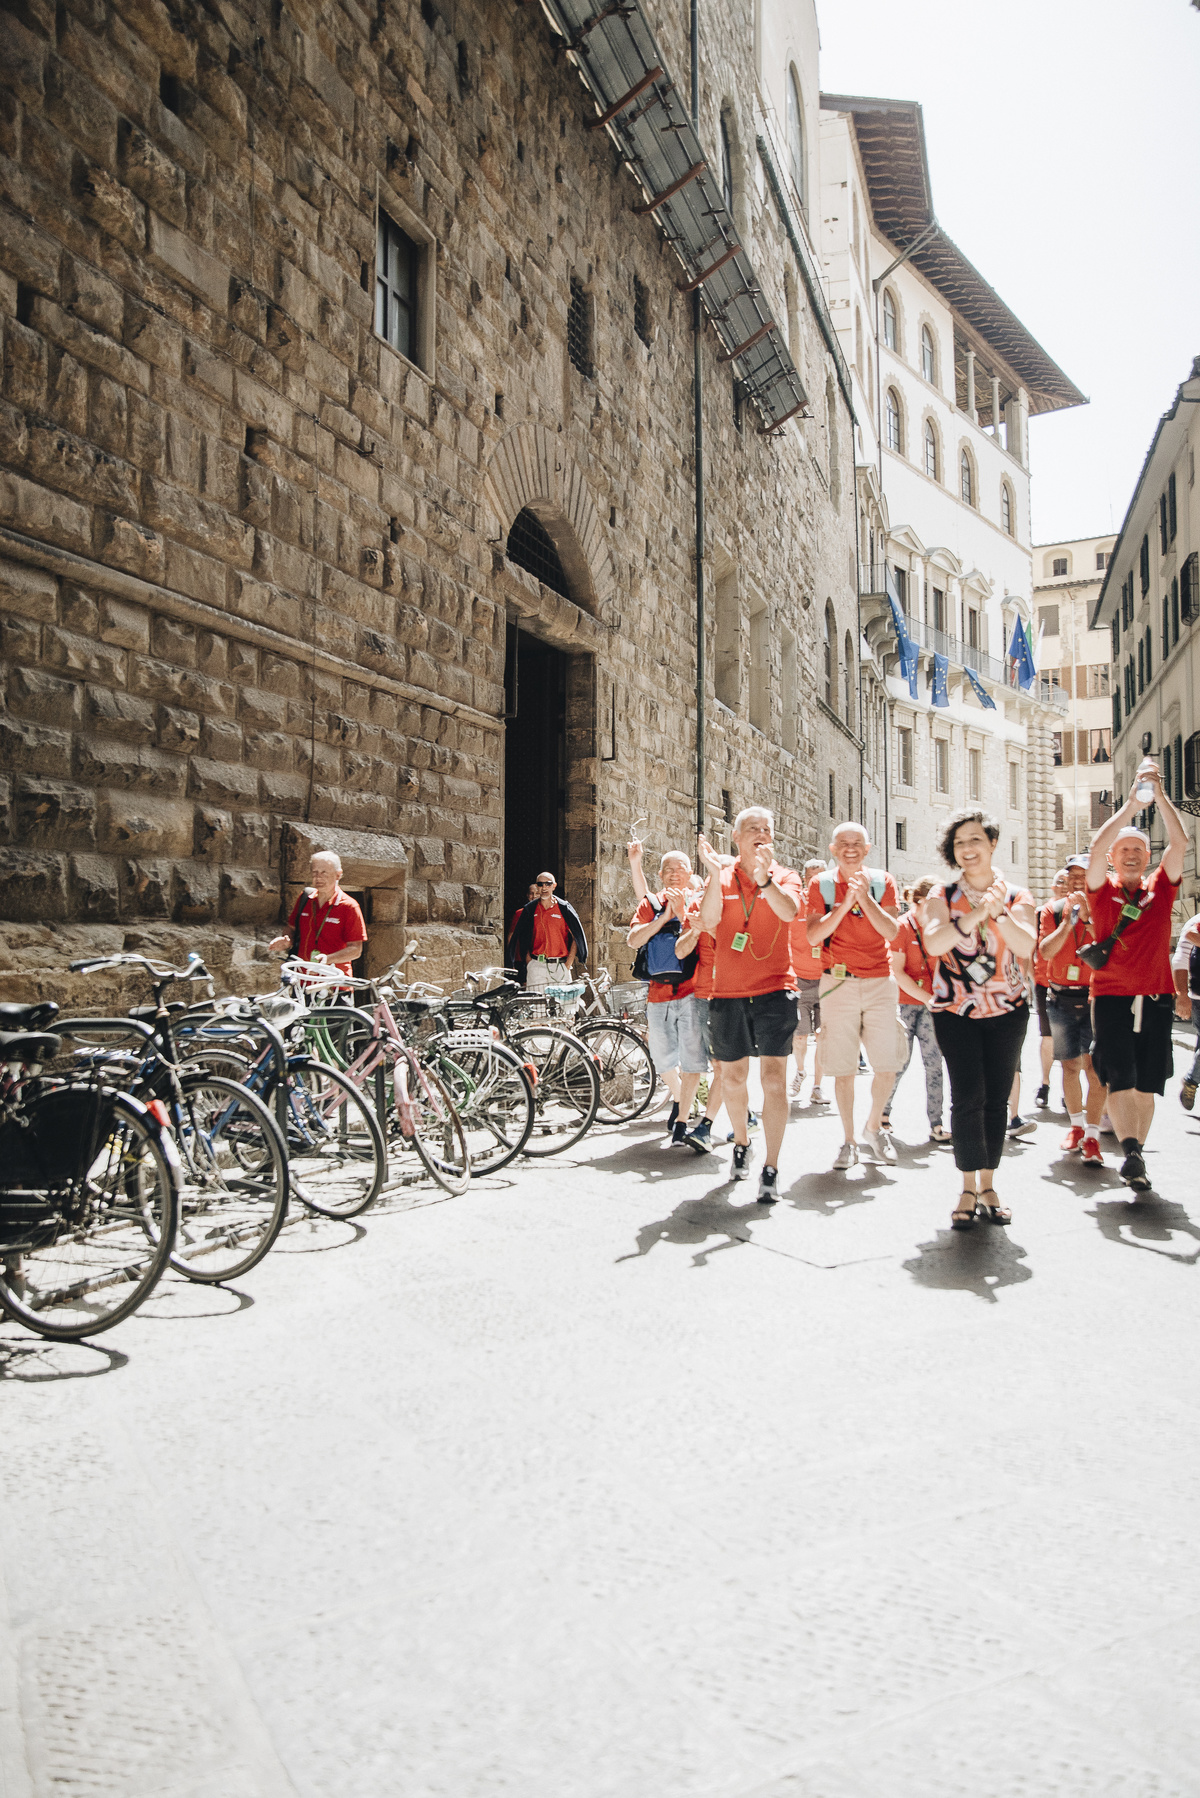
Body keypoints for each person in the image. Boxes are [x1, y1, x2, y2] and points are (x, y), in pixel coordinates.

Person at [921, 809, 1037, 1230]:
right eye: (959, 844)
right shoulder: (941, 894)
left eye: (974, 841)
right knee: (967, 1096)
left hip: (1008, 1012)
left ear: (991, 844)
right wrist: (973, 915)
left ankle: (989, 1183)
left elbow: (1026, 944)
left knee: (996, 1099)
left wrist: (998, 911)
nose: (967, 850)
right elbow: (934, 942)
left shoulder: (1018, 895)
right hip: (956, 1012)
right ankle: (967, 1186)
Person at [1085, 763, 1187, 1192]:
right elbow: (1094, 849)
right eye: (1122, 850)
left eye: (1138, 851)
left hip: (1158, 995)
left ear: (1147, 858)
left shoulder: (1160, 889)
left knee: (1147, 1083)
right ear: (1113, 858)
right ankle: (1129, 1149)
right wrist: (1130, 805)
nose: (1129, 854)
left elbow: (1180, 842)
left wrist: (1159, 797)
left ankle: (1136, 1155)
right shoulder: (1100, 889)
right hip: (1110, 995)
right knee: (1118, 1075)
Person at [696, 807, 803, 1200]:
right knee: (734, 1079)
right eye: (753, 829)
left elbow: (789, 911)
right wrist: (710, 874)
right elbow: (708, 921)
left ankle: (771, 1168)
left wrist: (764, 880)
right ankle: (742, 1142)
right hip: (727, 993)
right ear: (736, 838)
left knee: (774, 1080)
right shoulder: (721, 876)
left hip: (776, 989)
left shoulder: (786, 876)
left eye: (767, 830)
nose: (761, 834)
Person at [804, 822, 902, 1170]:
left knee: (888, 1066)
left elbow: (891, 931)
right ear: (833, 849)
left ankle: (873, 1127)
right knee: (843, 1069)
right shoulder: (821, 884)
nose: (850, 849)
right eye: (843, 843)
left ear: (868, 847)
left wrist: (865, 899)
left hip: (879, 981)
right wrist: (845, 903)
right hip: (837, 983)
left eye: (857, 843)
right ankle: (848, 1141)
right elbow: (814, 936)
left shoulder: (883, 881)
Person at [628, 852, 707, 1145]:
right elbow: (634, 940)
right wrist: (664, 918)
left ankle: (684, 1111)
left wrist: (684, 912)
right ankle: (679, 1098)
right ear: (660, 875)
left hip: (692, 991)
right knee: (662, 1060)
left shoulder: (700, 900)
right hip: (658, 993)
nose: (675, 873)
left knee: (692, 1058)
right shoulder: (651, 903)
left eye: (681, 868)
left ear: (690, 872)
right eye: (668, 869)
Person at [1038, 853, 1107, 1162]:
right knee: (1069, 1066)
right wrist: (1068, 923)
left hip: (1096, 997)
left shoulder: (1107, 909)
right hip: (1061, 997)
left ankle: (1092, 1136)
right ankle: (1076, 1128)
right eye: (1073, 876)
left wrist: (1091, 918)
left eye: (1085, 874)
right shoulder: (1052, 911)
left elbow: (1113, 950)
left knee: (1095, 1069)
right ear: (1064, 879)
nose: (1078, 881)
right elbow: (1046, 950)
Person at [882, 876, 951, 1144]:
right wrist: (927, 998)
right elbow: (897, 972)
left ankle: (936, 1122)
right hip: (905, 1002)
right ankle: (883, 1114)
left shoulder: (939, 928)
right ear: (918, 902)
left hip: (931, 1003)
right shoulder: (901, 928)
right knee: (899, 1062)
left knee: (935, 1064)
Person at [268, 851, 367, 975]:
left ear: (338, 875)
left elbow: (356, 950)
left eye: (324, 872)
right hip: (301, 979)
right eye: (314, 872)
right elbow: (291, 928)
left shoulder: (349, 906)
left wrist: (328, 959)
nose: (318, 877)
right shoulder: (305, 898)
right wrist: (287, 940)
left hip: (333, 982)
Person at [789, 858, 828, 1103]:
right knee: (800, 1036)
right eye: (812, 877)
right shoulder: (794, 905)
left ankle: (817, 1087)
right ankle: (800, 1071)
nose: (817, 883)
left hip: (826, 981)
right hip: (800, 980)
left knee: (823, 1036)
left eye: (821, 878)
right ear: (805, 879)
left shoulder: (834, 905)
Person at [510, 873, 587, 992]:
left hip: (560, 965)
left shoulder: (564, 908)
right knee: (537, 1008)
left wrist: (568, 964)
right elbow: (521, 935)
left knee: (565, 1008)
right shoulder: (530, 909)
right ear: (537, 886)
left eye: (548, 884)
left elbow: (576, 936)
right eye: (540, 884)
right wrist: (529, 961)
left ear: (554, 886)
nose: (544, 887)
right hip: (536, 965)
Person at [1031, 869, 1068, 1108]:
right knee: (1048, 1037)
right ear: (1053, 887)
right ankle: (1045, 1083)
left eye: (1069, 881)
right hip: (1044, 981)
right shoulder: (1042, 913)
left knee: (1073, 1042)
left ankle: (1069, 1090)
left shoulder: (1083, 911)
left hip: (1072, 983)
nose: (1065, 885)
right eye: (1060, 882)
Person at [1172, 908, 1200, 1108]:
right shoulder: (1195, 924)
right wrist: (1182, 995)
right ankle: (1191, 1080)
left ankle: (1192, 1080)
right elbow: (1180, 960)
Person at [506, 884, 538, 958]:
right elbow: (511, 935)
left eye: (537, 893)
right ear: (527, 895)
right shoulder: (519, 913)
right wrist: (510, 958)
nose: (534, 896)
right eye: (531, 893)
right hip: (520, 957)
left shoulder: (545, 913)